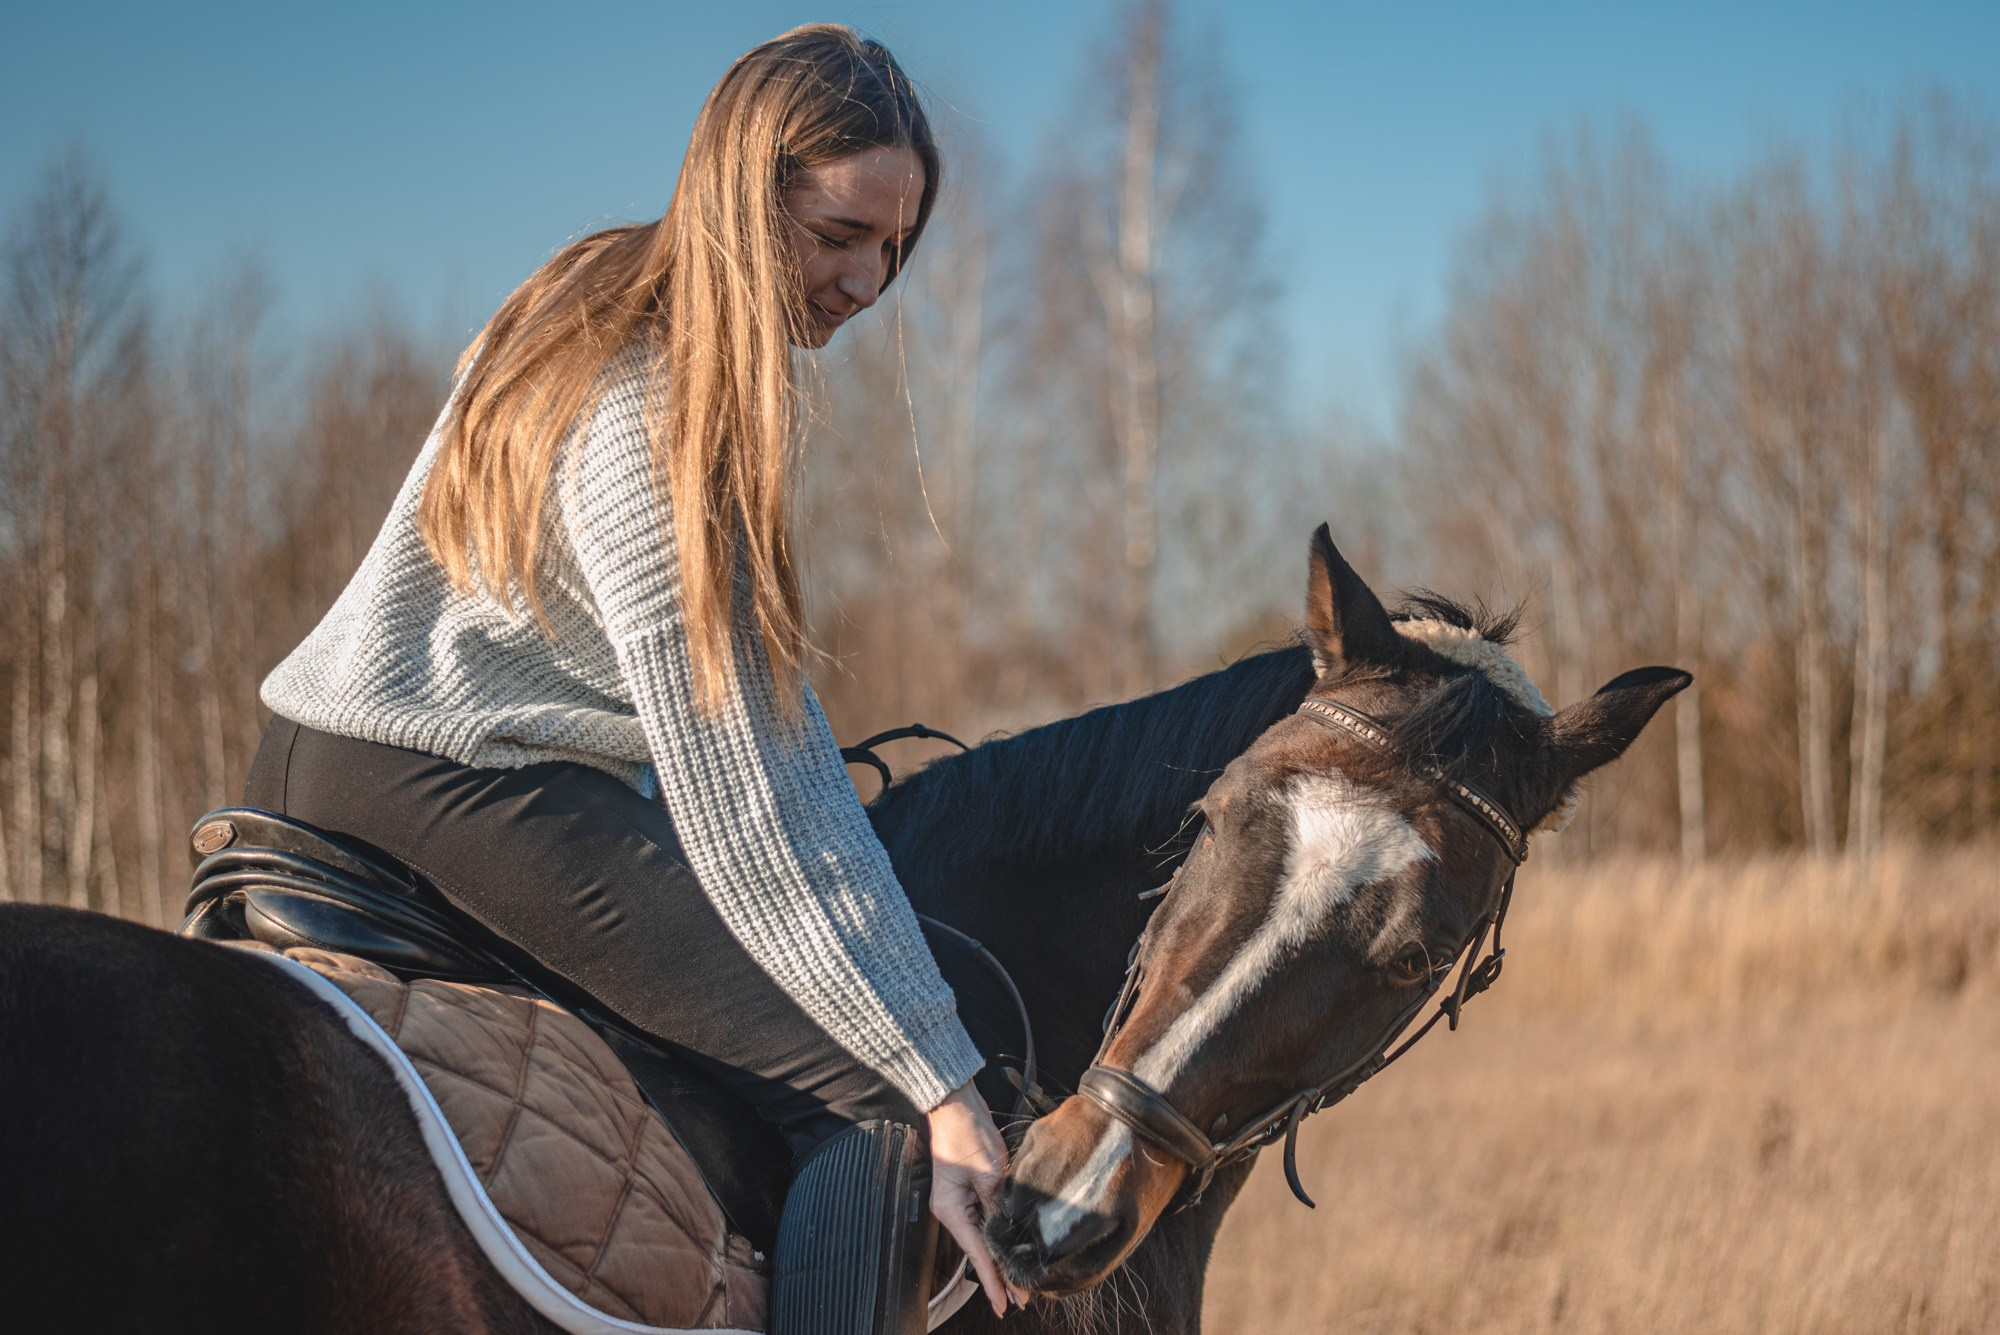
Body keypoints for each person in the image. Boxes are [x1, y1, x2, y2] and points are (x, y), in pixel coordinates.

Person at [244, 25, 1016, 1333]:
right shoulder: (660, 408)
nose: (870, 281)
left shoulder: (595, 287)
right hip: (454, 787)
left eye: (896, 246)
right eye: (840, 233)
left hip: (325, 755)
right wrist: (938, 1078)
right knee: (870, 1100)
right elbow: (749, 796)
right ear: (743, 193)